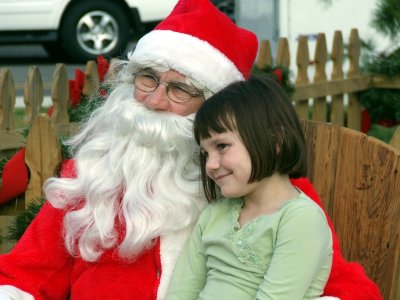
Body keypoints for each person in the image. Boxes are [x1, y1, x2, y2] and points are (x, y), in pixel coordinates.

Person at [0, 0, 381, 299]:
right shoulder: (92, 174)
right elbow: (23, 275)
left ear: (216, 107)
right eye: (147, 78)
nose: (154, 101)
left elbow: (347, 288)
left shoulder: (268, 191)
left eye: (180, 89)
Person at [165, 75, 333, 299]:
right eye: (205, 154)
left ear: (276, 141)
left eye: (222, 146)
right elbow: (180, 292)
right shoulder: (213, 216)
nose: (211, 165)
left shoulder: (300, 218)